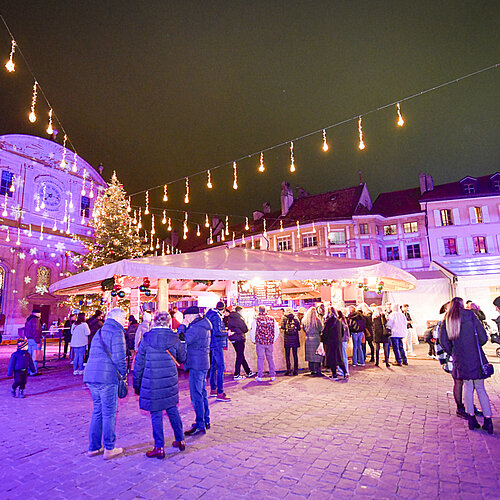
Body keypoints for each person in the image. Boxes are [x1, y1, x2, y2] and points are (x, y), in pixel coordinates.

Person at [133, 311, 187, 458]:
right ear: (168, 322)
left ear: (154, 322)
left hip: (152, 381)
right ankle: (180, 440)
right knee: (172, 410)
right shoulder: (174, 338)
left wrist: (137, 385)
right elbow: (182, 358)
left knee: (156, 414)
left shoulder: (146, 339)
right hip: (169, 380)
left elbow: (139, 364)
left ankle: (159, 447)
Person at [439, 297, 493, 434]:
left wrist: (453, 351)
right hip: (475, 356)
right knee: (481, 388)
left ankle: (471, 419)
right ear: (462, 305)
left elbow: (443, 341)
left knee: (468, 387)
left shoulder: (447, 320)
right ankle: (488, 420)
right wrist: (475, 346)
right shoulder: (470, 315)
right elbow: (483, 337)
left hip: (460, 358)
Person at [83, 308, 127, 459]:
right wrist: (123, 375)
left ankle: (94, 447)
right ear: (118, 318)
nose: (125, 321)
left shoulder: (99, 332)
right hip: (107, 378)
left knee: (98, 411)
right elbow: (119, 357)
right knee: (109, 412)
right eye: (124, 318)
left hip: (91, 376)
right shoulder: (116, 332)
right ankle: (109, 448)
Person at [178, 306, 212, 436]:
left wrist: (182, 326)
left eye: (186, 317)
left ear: (191, 316)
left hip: (196, 364)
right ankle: (205, 420)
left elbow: (182, 339)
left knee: (196, 395)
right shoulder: (203, 325)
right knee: (202, 392)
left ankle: (200, 424)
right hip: (202, 363)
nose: (185, 320)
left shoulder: (196, 328)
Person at [205, 301, 231, 401]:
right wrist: (226, 332)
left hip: (213, 343)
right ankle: (220, 392)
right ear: (223, 309)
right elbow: (217, 331)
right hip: (217, 343)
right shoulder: (216, 317)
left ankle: (213, 389)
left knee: (214, 366)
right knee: (221, 367)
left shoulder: (211, 315)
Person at [249, 305, 280, 382]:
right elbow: (276, 331)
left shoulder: (256, 320)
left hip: (260, 342)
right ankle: (272, 375)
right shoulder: (272, 319)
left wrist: (253, 340)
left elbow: (253, 331)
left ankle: (260, 376)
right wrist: (273, 339)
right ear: (266, 310)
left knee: (260, 359)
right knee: (270, 358)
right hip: (269, 342)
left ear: (259, 311)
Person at [227, 306, 255, 380]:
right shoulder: (239, 319)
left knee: (240, 355)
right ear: (239, 311)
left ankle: (248, 372)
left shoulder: (230, 318)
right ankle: (236, 374)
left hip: (232, 338)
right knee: (239, 356)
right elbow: (245, 329)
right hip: (239, 338)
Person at [321, 308, 348, 380]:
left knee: (332, 359)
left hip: (330, 342)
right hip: (338, 342)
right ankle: (345, 372)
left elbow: (324, 332)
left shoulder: (328, 321)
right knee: (339, 358)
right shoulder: (339, 321)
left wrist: (322, 340)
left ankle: (334, 375)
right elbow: (342, 332)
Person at [303, 306, 324, 377]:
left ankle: (312, 370)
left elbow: (303, 329)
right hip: (316, 339)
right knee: (317, 356)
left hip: (308, 339)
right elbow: (321, 329)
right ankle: (318, 370)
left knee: (310, 357)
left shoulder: (304, 320)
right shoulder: (317, 320)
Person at [281, 308, 301, 376]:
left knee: (287, 355)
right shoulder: (296, 318)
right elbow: (299, 328)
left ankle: (288, 370)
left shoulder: (284, 318)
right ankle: (295, 370)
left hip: (287, 339)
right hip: (295, 339)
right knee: (295, 355)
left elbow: (282, 327)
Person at [24, 308, 42, 375]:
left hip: (29, 339)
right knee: (35, 356)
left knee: (30, 356)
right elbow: (36, 331)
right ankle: (34, 371)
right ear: (37, 313)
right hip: (35, 340)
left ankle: (29, 370)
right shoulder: (36, 320)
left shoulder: (28, 319)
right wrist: (38, 342)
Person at [337, 310, 350, 378]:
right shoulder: (344, 321)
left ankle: (343, 371)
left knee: (342, 356)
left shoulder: (339, 322)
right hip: (344, 340)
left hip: (341, 340)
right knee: (343, 355)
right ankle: (344, 370)